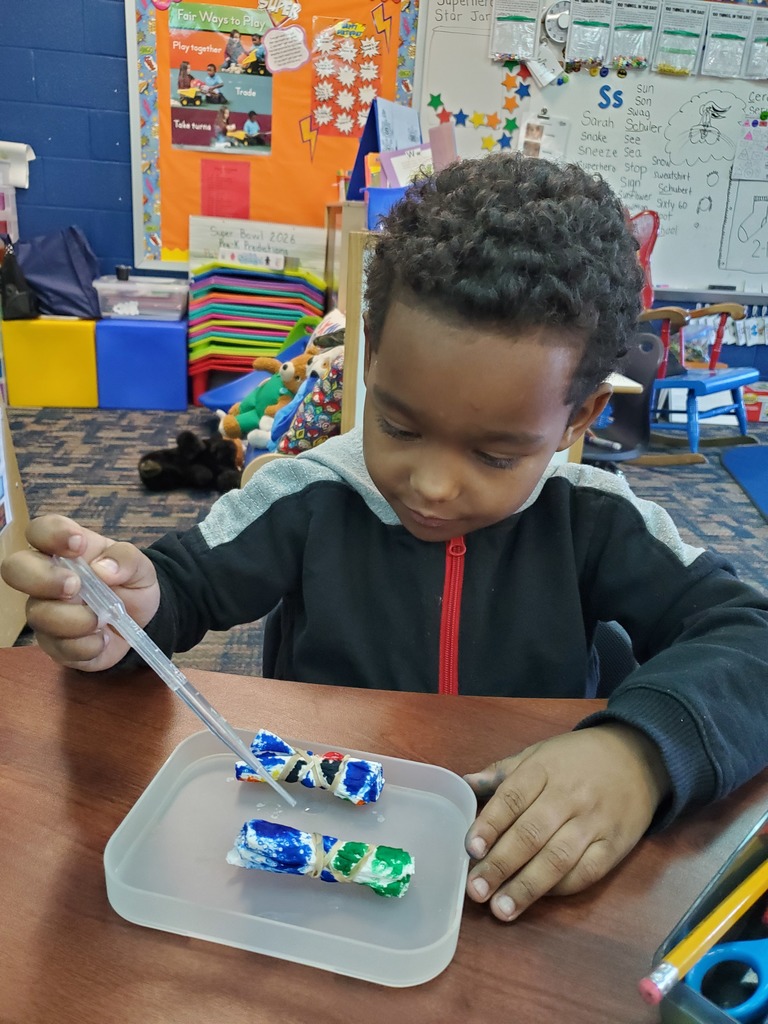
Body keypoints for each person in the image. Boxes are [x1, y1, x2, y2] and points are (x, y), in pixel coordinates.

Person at [4, 154, 768, 926]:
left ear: (579, 417)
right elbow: (183, 584)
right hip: (322, 842)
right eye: (399, 425)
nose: (432, 485)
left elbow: (752, 637)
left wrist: (637, 753)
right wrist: (125, 613)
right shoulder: (309, 495)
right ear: (370, 358)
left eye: (496, 455)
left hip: (513, 860)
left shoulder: (596, 521)